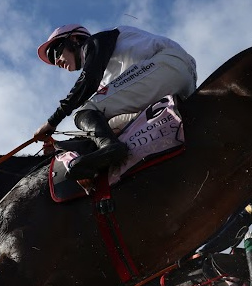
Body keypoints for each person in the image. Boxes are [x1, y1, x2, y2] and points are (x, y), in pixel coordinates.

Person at [33, 23, 198, 180]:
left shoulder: (97, 41)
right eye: (53, 62)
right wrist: (58, 146)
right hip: (181, 80)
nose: (57, 62)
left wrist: (52, 122)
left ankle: (111, 149)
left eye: (56, 52)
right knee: (106, 124)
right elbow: (99, 127)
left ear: (74, 39)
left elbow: (88, 82)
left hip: (168, 65)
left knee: (85, 110)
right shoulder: (108, 79)